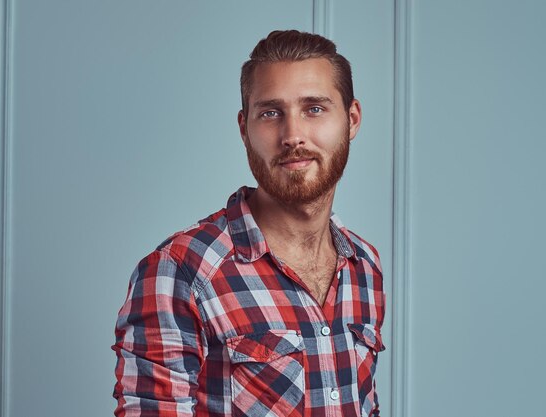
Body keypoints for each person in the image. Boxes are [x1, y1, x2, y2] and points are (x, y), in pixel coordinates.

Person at [112, 29, 386, 417]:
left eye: (314, 109)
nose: (293, 135)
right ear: (244, 128)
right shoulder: (182, 272)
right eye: (271, 113)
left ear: (352, 119)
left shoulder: (365, 267)